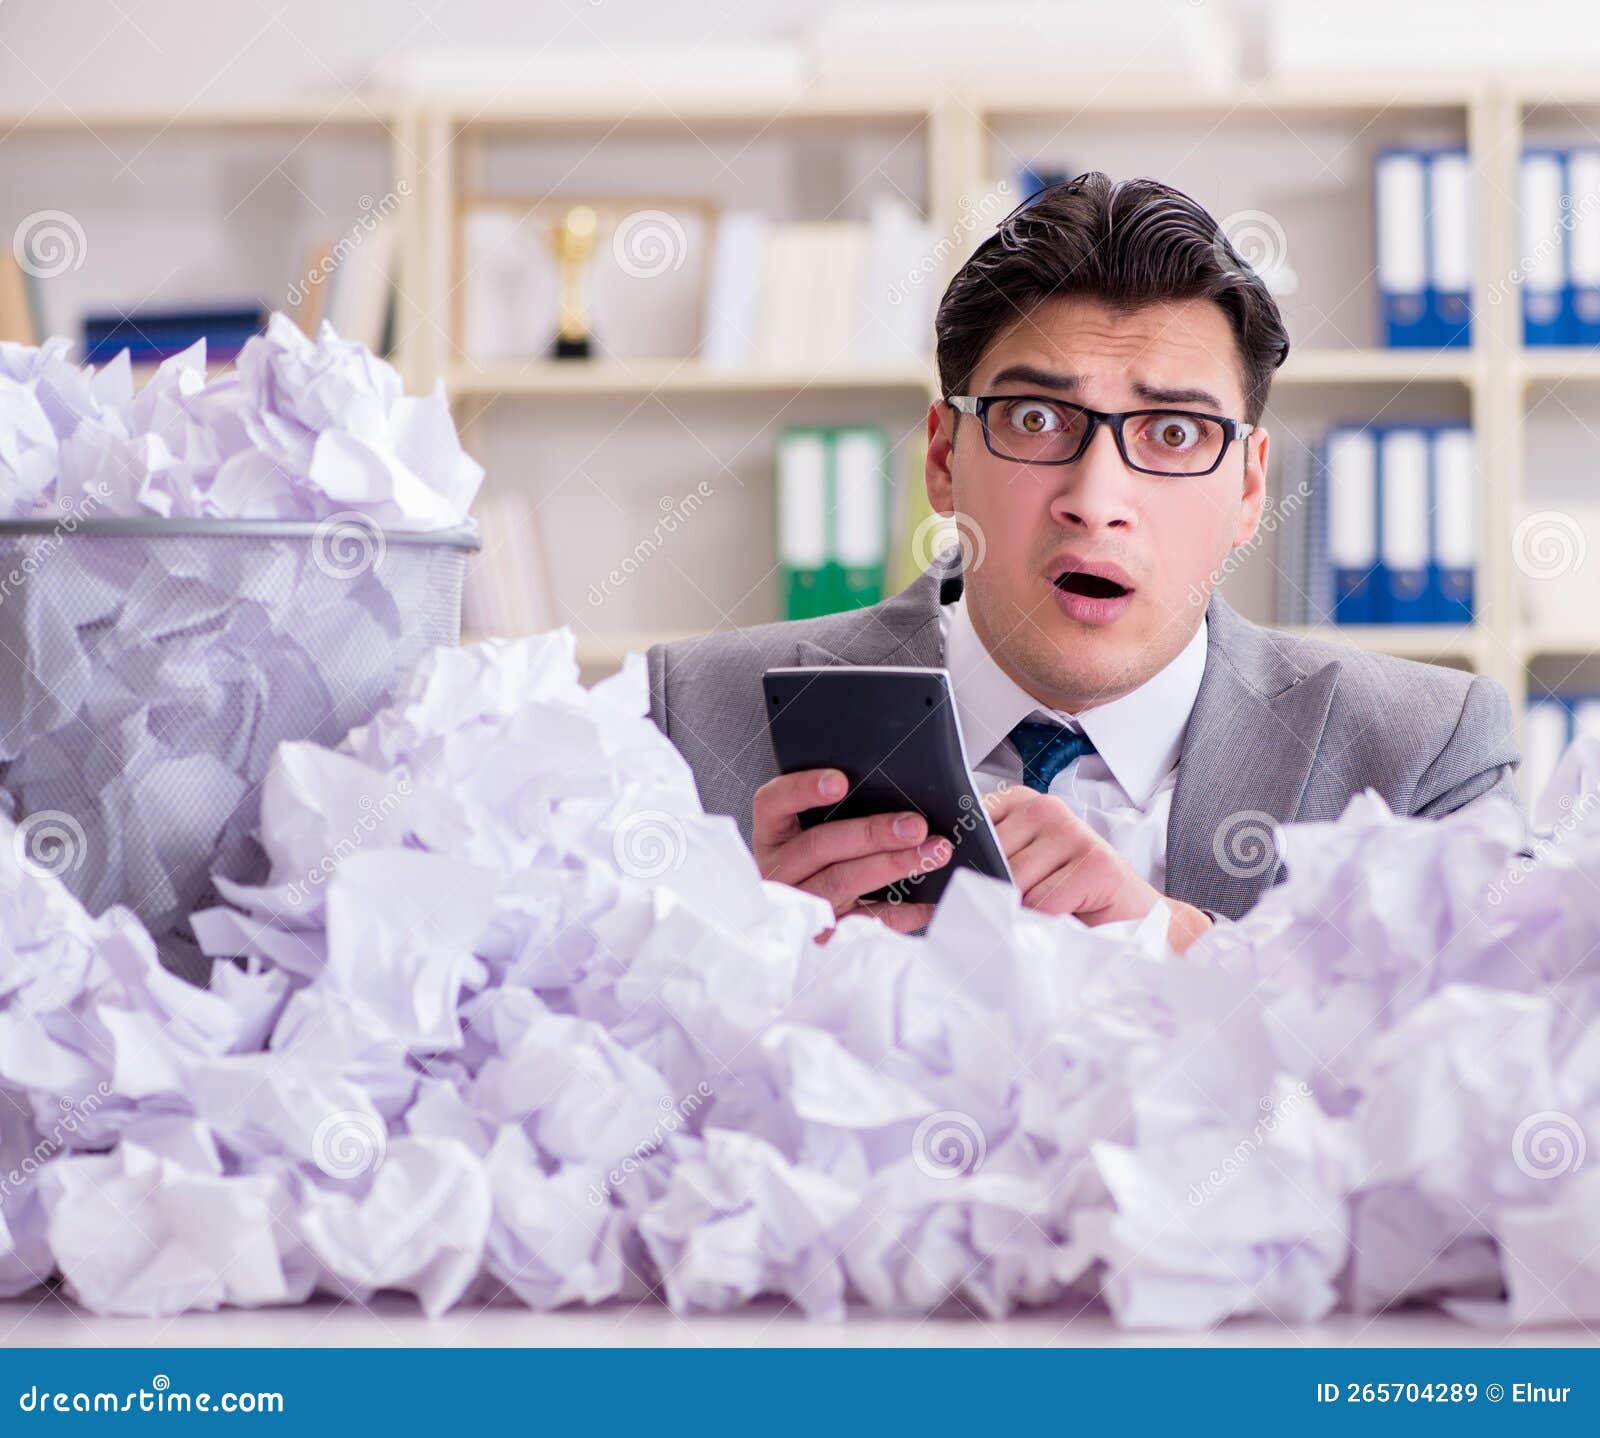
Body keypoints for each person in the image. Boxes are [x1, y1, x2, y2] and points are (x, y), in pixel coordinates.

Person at [646, 172, 1519, 951]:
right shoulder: (693, 722)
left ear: (1250, 489)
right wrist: (746, 958)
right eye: (1035, 418)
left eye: (1174, 433)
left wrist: (1177, 948)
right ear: (945, 459)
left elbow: (1498, 1077)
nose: (1095, 498)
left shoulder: (1422, 755)